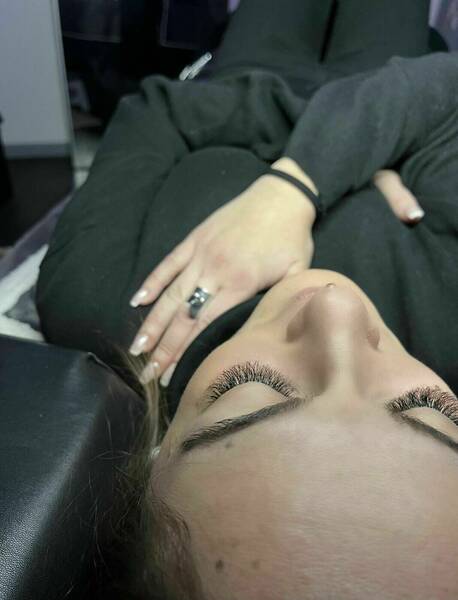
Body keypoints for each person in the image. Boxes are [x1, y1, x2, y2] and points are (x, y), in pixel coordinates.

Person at [36, 1, 458, 598]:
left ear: (153, 460)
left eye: (250, 389)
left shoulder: (96, 301)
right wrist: (310, 177)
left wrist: (350, 151)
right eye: (426, 410)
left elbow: (156, 112)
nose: (337, 307)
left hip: (251, 70)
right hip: (387, 70)